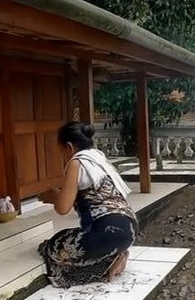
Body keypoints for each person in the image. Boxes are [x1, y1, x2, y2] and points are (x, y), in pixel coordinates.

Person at [38, 122, 137, 288]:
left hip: (107, 234)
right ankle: (116, 253)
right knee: (76, 238)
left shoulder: (76, 162)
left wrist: (53, 197)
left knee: (53, 245)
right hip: (130, 230)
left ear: (69, 147)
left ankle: (108, 262)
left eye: (61, 150)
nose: (62, 155)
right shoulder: (100, 159)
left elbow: (62, 208)